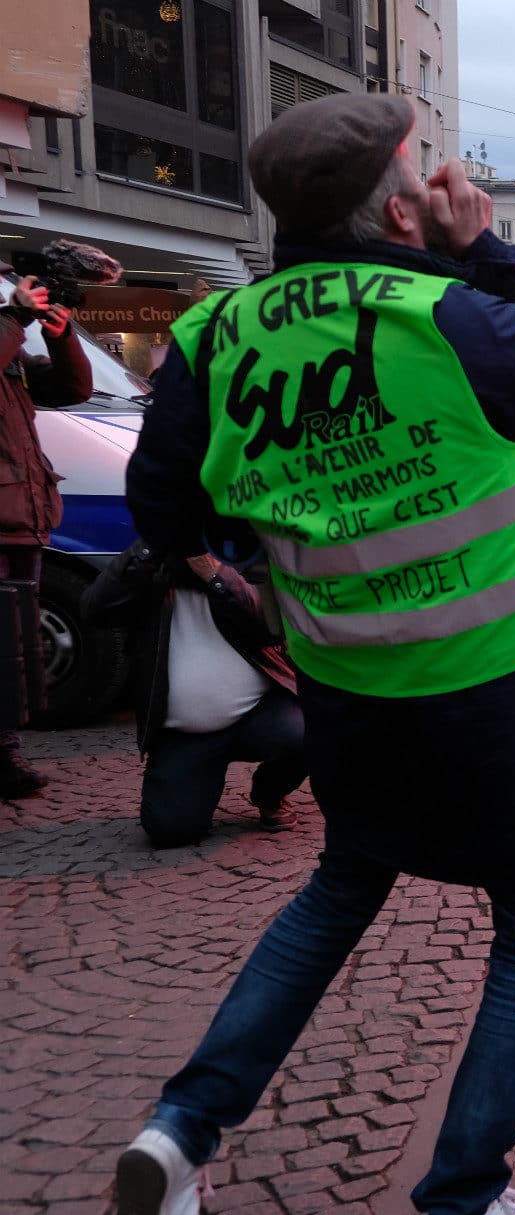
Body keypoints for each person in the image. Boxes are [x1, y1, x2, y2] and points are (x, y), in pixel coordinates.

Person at [114, 93, 515, 1215]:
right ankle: (459, 1210)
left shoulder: (213, 336)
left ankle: (181, 1131)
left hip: (360, 695)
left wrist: (263, 567)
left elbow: (165, 509)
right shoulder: (439, 308)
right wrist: (486, 249)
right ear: (401, 206)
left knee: (336, 892)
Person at [81, 538, 306, 846]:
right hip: (185, 734)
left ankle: (269, 791)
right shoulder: (149, 564)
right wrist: (150, 545)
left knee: (315, 726)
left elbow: (270, 626)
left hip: (260, 713)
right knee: (170, 829)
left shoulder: (246, 550)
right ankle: (193, 778)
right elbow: (95, 608)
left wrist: (214, 576)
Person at [1, 269, 90, 798]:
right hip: (7, 514)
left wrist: (61, 338)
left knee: (13, 644)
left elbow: (73, 389)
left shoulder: (9, 347)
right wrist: (14, 318)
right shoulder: (5, 331)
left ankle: (6, 752)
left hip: (22, 515)